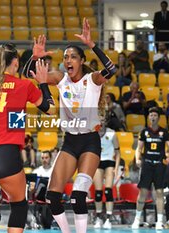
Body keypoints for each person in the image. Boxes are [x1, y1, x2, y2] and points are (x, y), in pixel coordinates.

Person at [28, 18, 117, 233]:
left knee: (78, 197)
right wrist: (35, 57)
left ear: (82, 60)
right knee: (52, 197)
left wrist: (92, 44)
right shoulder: (60, 79)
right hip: (69, 142)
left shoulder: (92, 80)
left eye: (73, 57)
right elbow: (29, 74)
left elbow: (111, 69)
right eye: (66, 57)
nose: (68, 60)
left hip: (89, 143)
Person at [0, 42, 56, 233]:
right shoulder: (24, 86)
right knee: (19, 206)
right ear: (15, 62)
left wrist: (33, 59)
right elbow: (50, 109)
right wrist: (43, 82)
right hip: (4, 152)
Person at [131, 107, 169, 230]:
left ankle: (160, 221)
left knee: (160, 192)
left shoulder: (164, 132)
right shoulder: (144, 132)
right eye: (151, 115)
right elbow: (139, 148)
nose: (153, 117)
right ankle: (137, 219)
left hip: (159, 165)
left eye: (155, 115)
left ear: (158, 118)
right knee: (143, 193)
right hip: (147, 165)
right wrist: (138, 159)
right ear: (148, 117)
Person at [93, 122, 120, 229]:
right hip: (97, 162)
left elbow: (118, 152)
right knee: (98, 193)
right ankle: (99, 218)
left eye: (103, 119)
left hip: (109, 162)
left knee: (108, 191)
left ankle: (108, 219)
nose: (101, 121)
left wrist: (116, 168)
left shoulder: (112, 133)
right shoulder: (92, 133)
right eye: (99, 119)